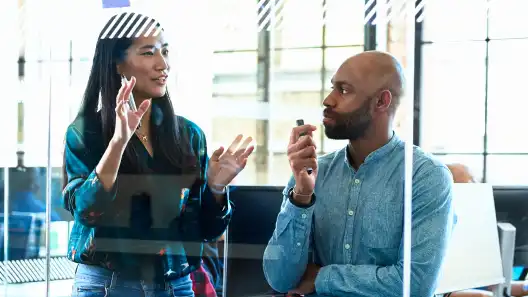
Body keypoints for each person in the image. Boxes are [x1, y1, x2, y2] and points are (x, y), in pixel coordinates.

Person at [62, 12, 253, 297]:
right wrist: (118, 142)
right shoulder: (85, 133)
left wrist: (216, 187)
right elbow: (88, 212)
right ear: (116, 62)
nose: (163, 64)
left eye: (164, 52)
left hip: (176, 285)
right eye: (149, 52)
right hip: (107, 285)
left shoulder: (188, 135)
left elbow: (208, 230)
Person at [263, 51, 455, 297]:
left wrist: (322, 277)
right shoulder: (312, 174)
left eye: (343, 90)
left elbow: (415, 285)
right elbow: (280, 279)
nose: (328, 100)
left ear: (381, 102)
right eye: (333, 88)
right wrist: (301, 196)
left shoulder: (425, 177)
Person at [444, 163, 528, 297]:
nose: (477, 184)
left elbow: (495, 286)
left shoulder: (475, 230)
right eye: (471, 180)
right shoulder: (440, 231)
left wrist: (525, 286)